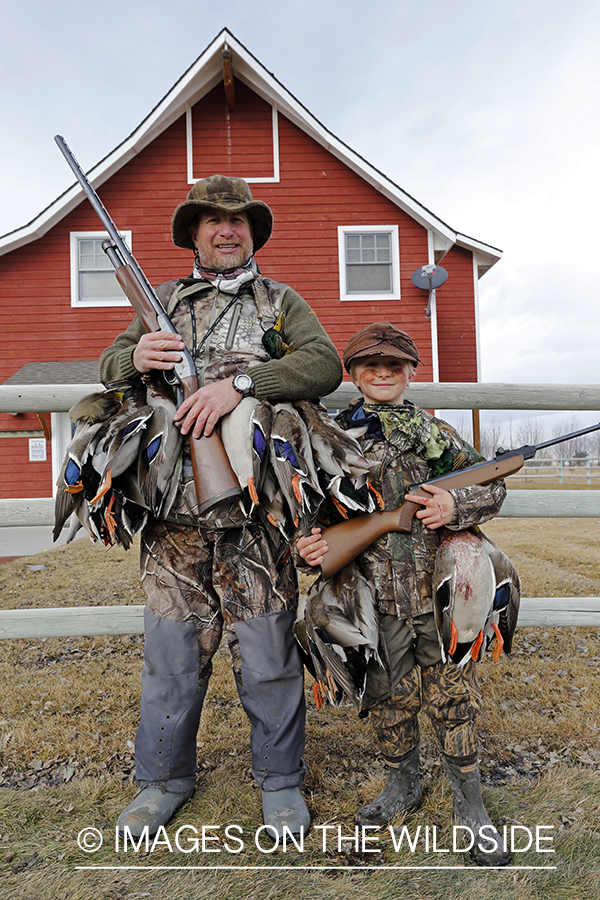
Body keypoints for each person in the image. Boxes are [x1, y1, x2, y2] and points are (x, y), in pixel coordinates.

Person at [99, 175, 343, 838]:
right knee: (172, 657)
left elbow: (324, 365)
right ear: (195, 234)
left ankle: (281, 783)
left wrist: (241, 383)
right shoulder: (166, 300)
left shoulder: (278, 301)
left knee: (267, 656)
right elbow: (111, 363)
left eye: (237, 220)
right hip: (173, 517)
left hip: (258, 520)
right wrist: (135, 356)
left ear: (251, 233)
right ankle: (163, 783)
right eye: (213, 221)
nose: (226, 230)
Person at [297, 322, 511, 867]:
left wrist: (454, 509)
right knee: (388, 696)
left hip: (438, 598)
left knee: (454, 699)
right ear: (352, 373)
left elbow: (491, 484)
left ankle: (471, 807)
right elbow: (308, 504)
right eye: (371, 364)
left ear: (412, 372)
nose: (383, 373)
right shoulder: (332, 436)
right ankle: (402, 787)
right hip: (371, 596)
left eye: (395, 365)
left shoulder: (436, 435)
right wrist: (310, 543)